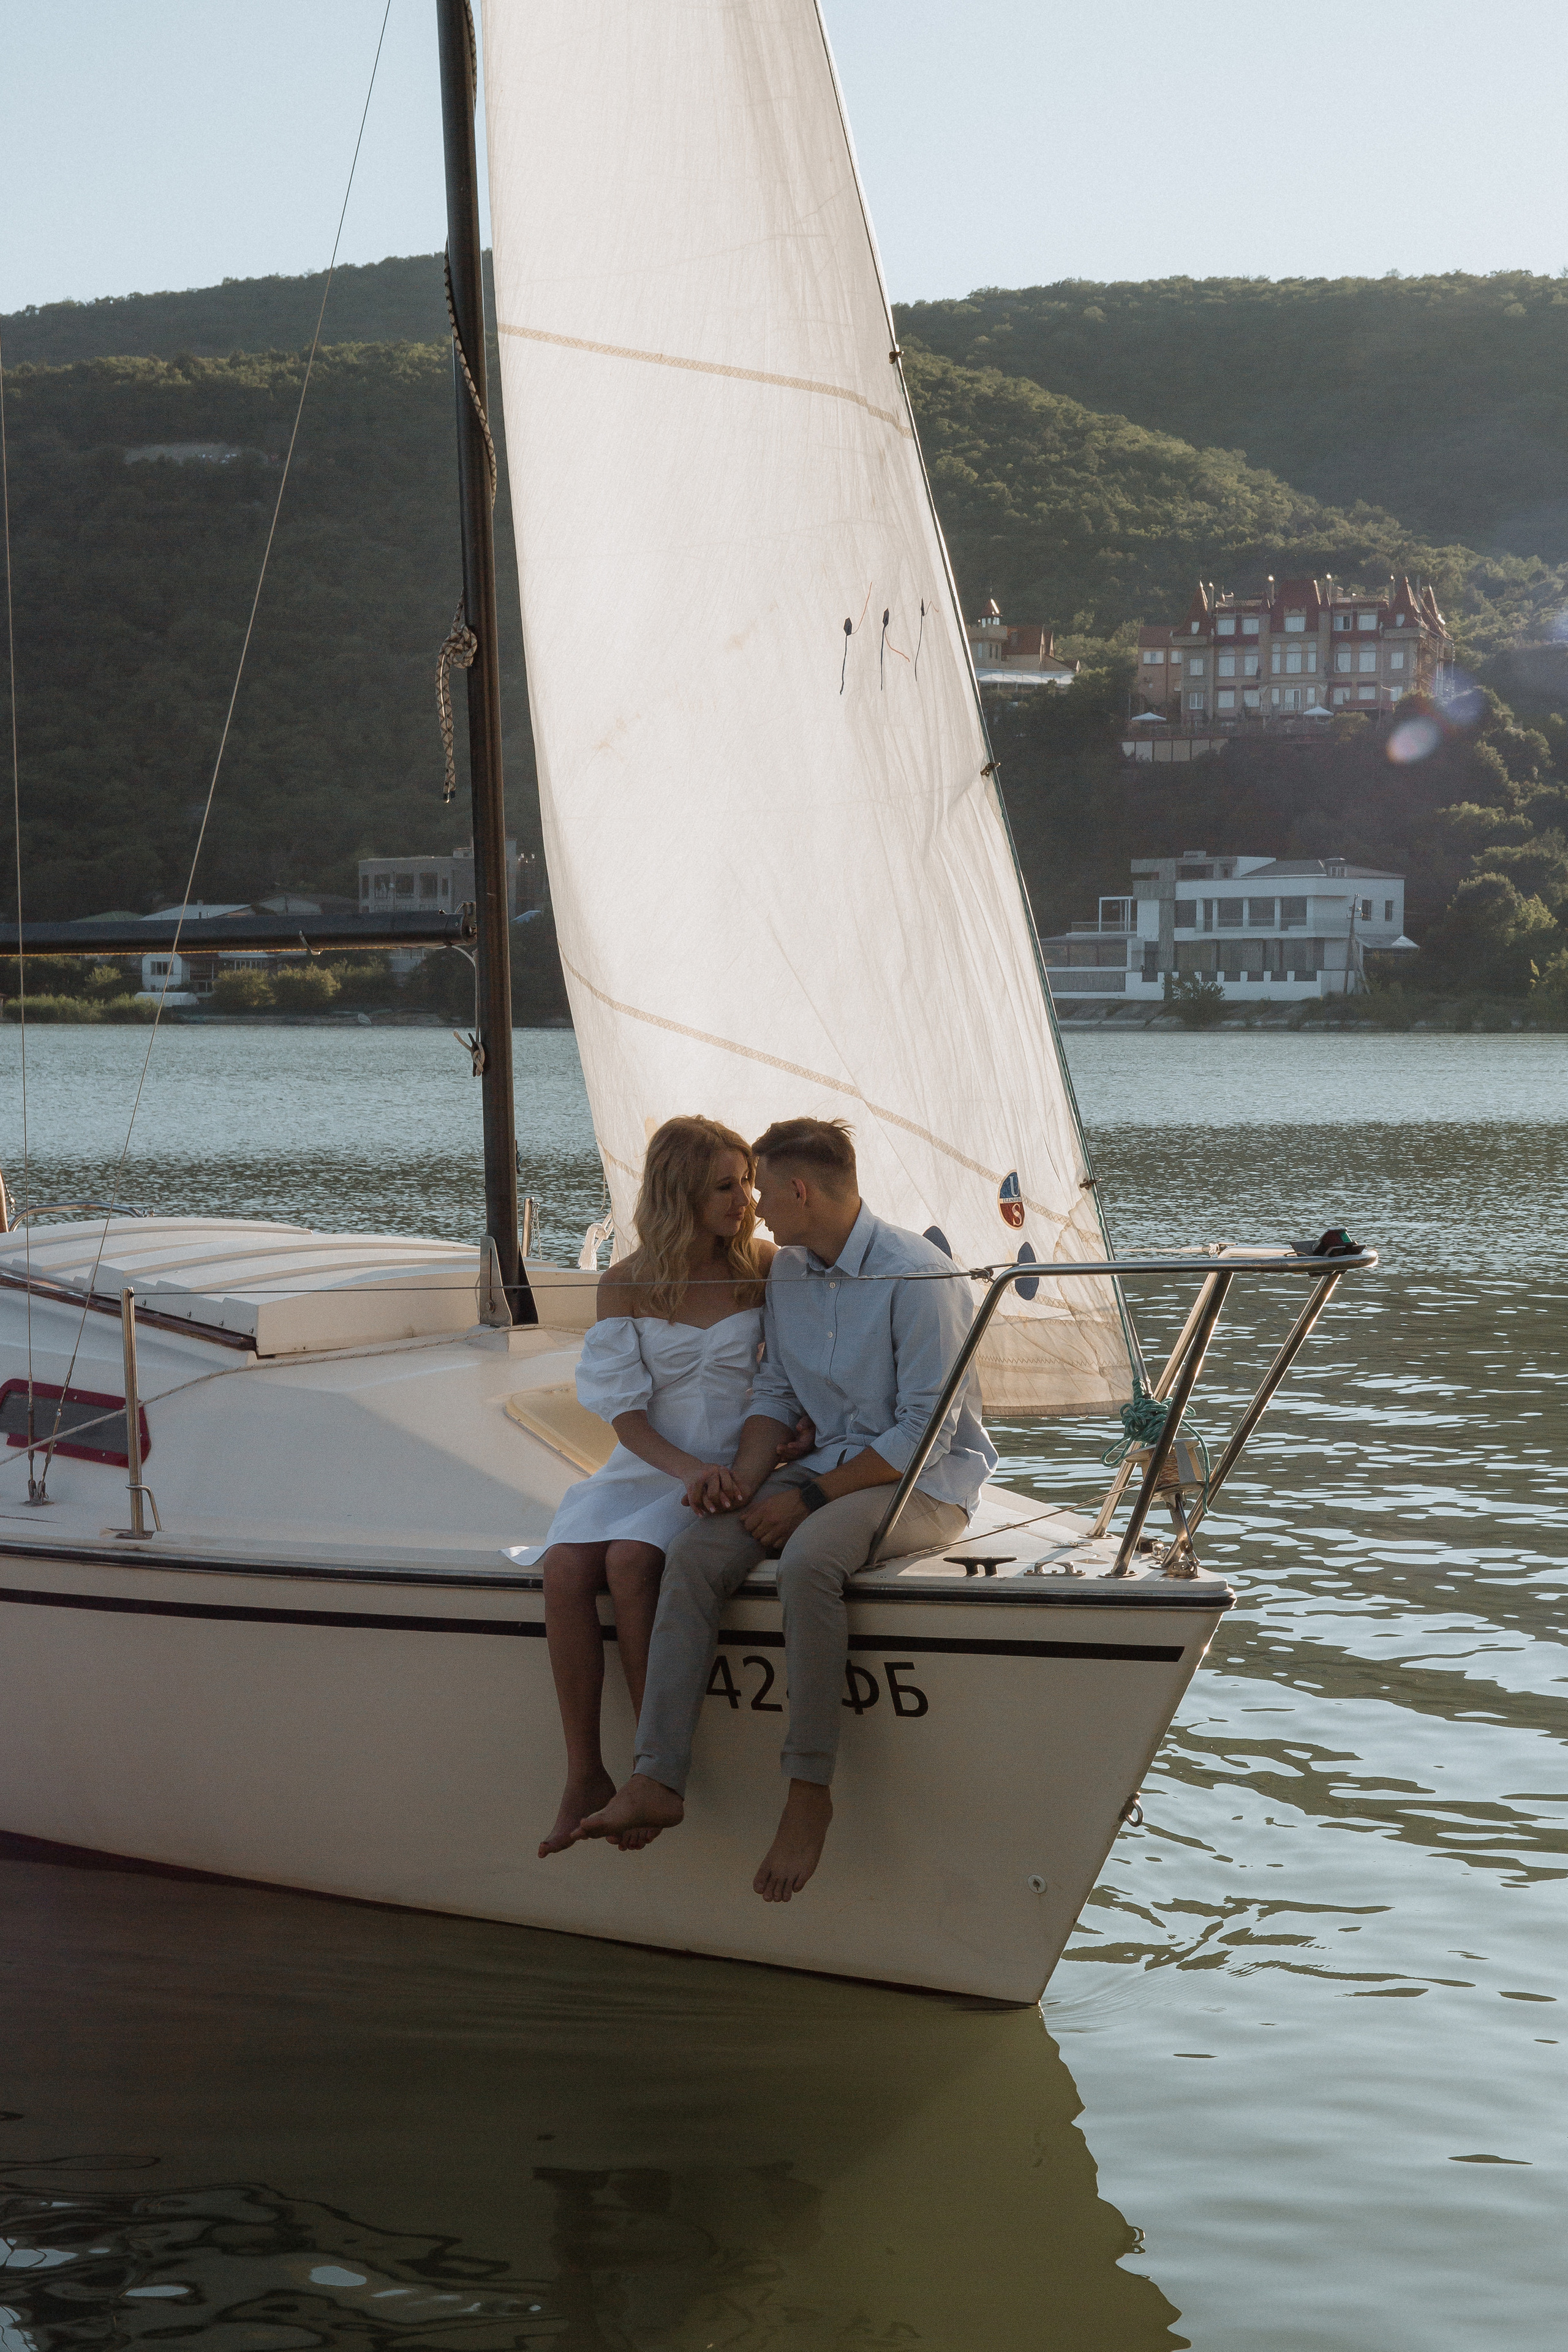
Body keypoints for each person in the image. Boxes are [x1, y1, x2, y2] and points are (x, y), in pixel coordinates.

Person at [575, 1116, 997, 1901]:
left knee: (806, 1563)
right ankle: (657, 1776)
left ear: (798, 1190)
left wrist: (802, 1500)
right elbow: (774, 1391)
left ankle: (809, 1791)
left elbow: (924, 1432)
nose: (756, 1209)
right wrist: (743, 1478)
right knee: (698, 1552)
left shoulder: (918, 1274)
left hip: (922, 1482)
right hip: (827, 1466)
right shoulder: (793, 1273)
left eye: (762, 1190)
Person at [535, 1115, 778, 1859]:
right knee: (565, 1565)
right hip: (655, 1465)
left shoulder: (764, 1266)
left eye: (748, 1183)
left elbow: (789, 1377)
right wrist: (686, 1472)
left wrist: (741, 1467)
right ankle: (584, 1775)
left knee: (631, 1561)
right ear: (679, 1193)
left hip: (735, 1467)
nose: (747, 1201)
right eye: (726, 1187)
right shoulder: (627, 1283)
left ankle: (656, 1769)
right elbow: (624, 1414)